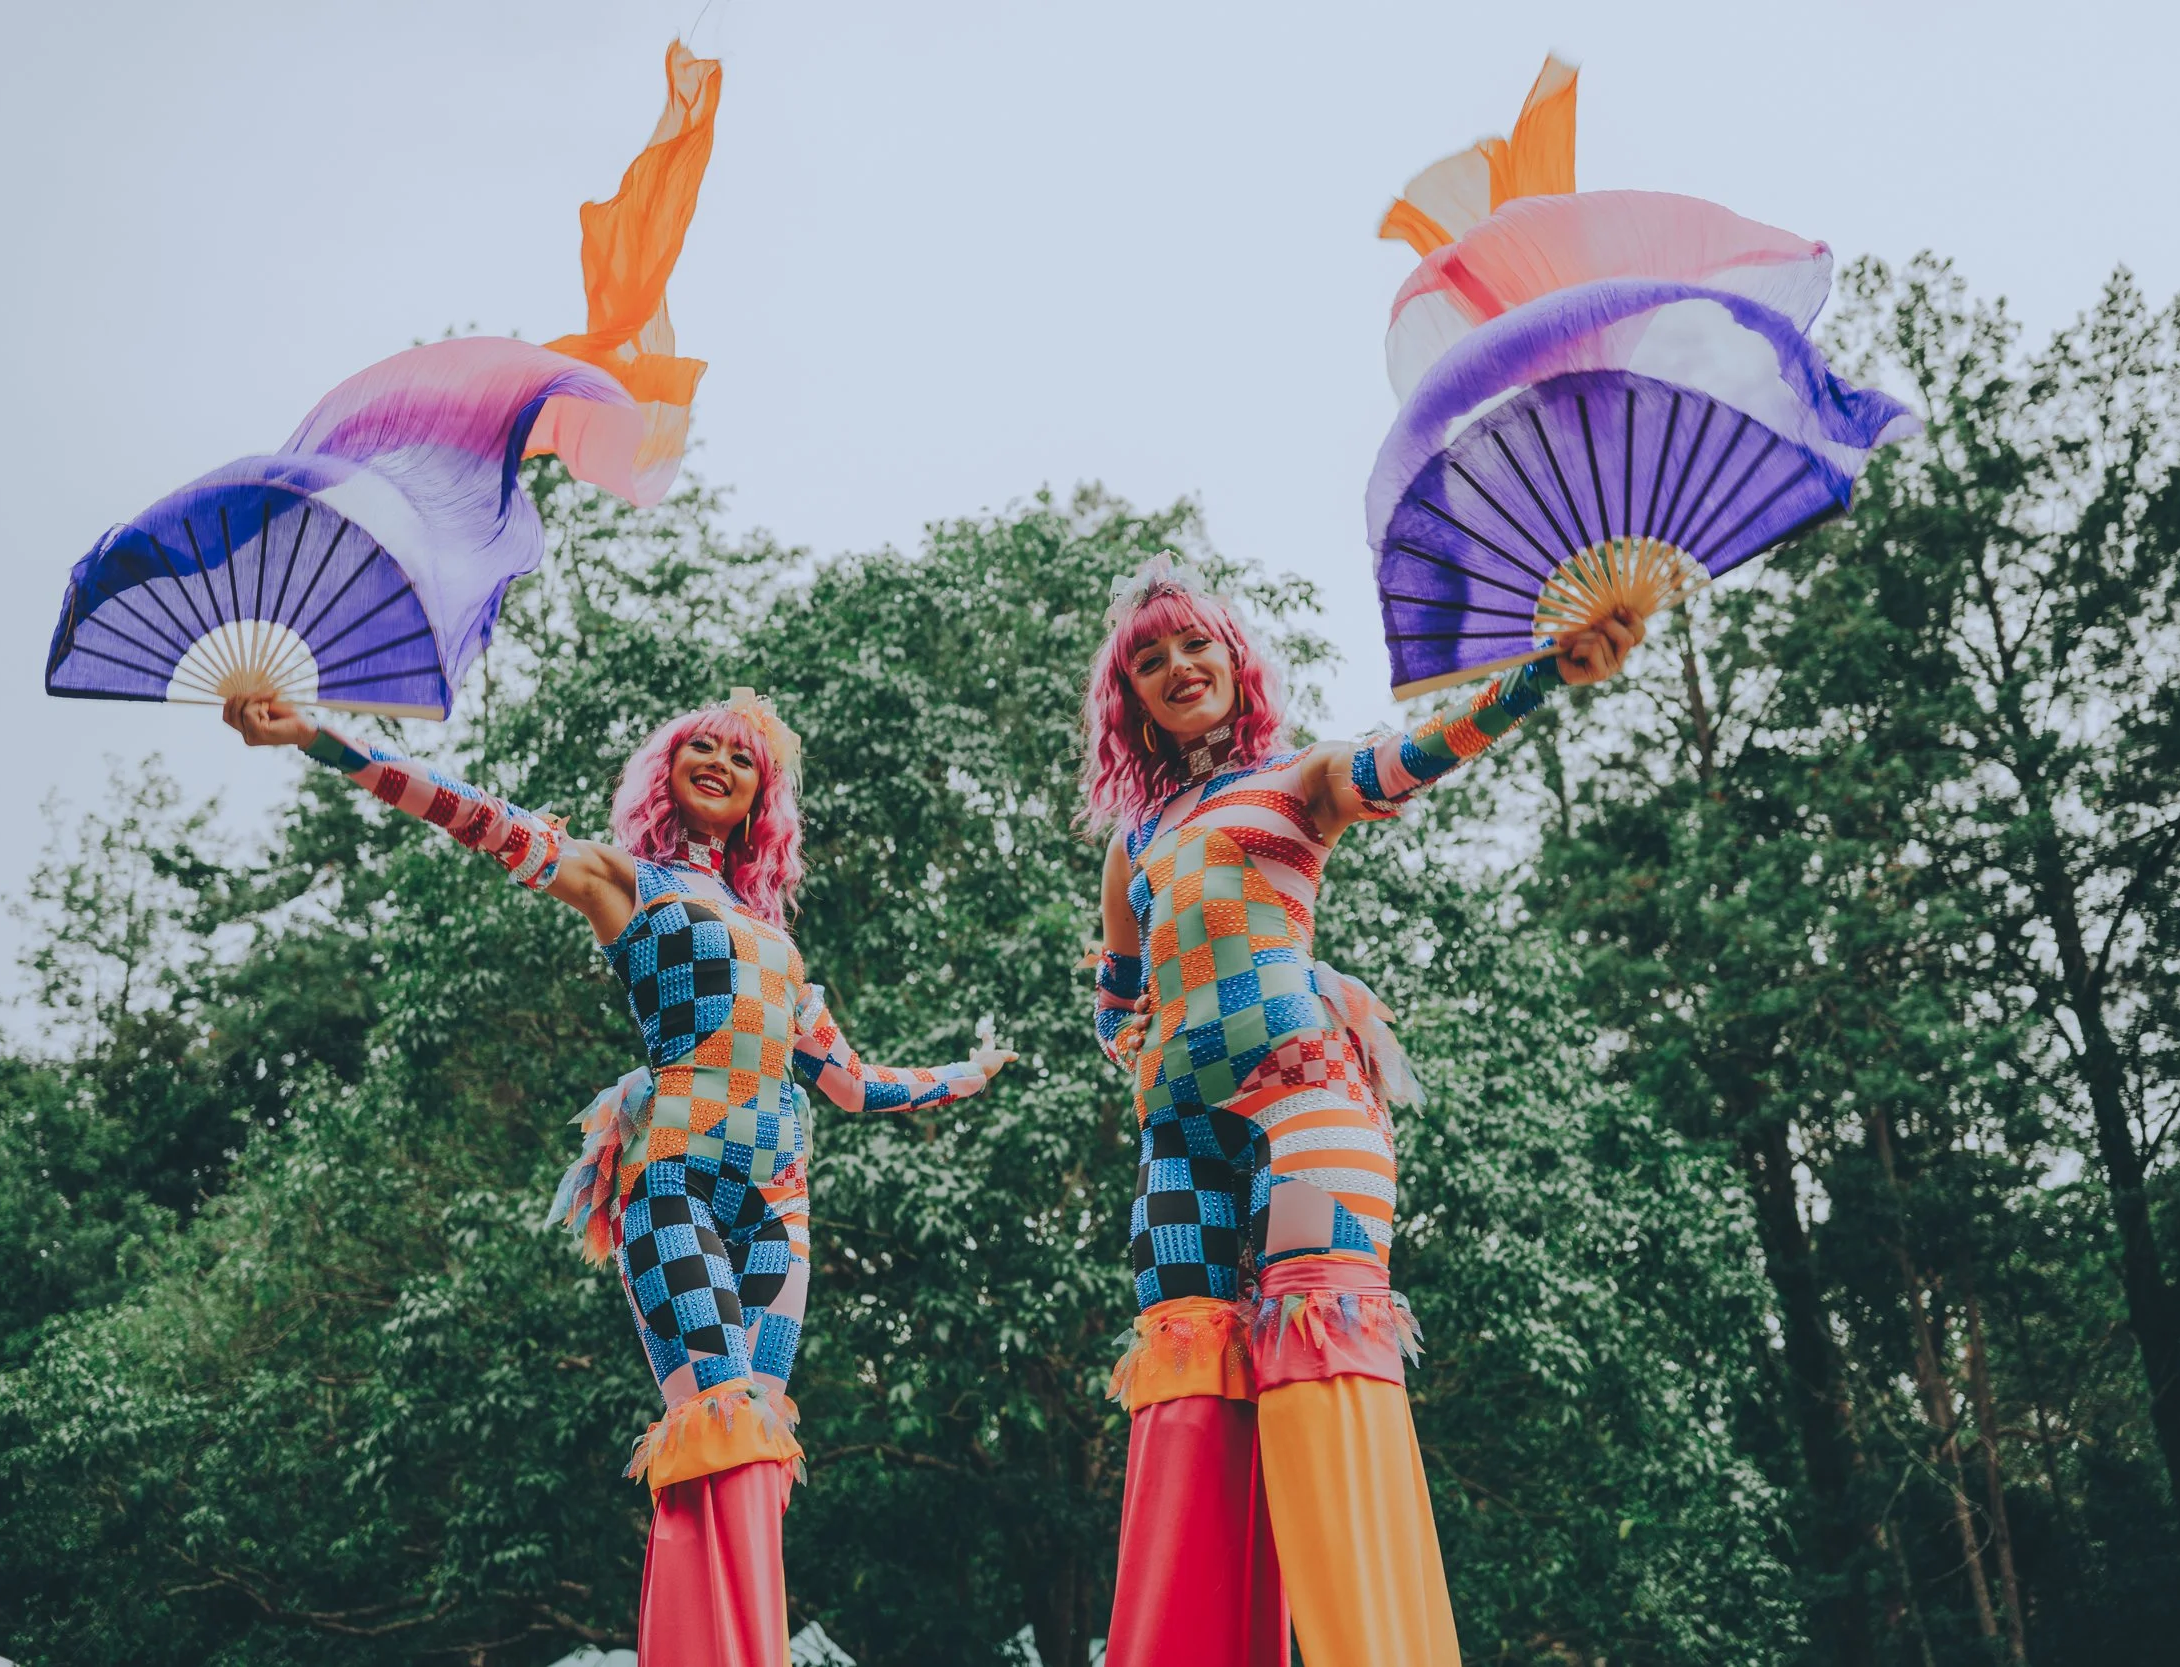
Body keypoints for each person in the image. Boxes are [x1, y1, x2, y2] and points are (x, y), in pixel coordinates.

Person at [222, 685, 1014, 1667]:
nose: (719, 759)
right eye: (700, 746)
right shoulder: (623, 880)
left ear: (764, 794)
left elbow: (852, 1087)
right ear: (667, 771)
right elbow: (474, 812)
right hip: (675, 1179)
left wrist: (967, 1075)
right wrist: (319, 739)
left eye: (742, 754)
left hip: (780, 1201)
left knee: (759, 1444)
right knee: (713, 1417)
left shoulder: (778, 942)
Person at [1082, 557, 1639, 1667]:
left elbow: (1416, 754)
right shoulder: (1131, 845)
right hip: (1180, 1136)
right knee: (1187, 1398)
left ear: (1234, 661)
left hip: (1303, 1101)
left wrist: (1539, 674)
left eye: (1193, 644)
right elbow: (1113, 1000)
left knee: (1322, 1361)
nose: (1175, 666)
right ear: (1131, 696)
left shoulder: (1300, 778)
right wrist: (1145, 1048)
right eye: (1149, 659)